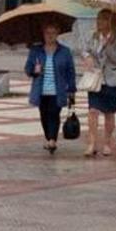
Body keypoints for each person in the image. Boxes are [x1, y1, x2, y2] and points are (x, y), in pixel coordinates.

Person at [25, 22, 75, 154]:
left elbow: (70, 71)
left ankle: (52, 140)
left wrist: (72, 89)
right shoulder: (36, 51)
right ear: (43, 34)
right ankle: (49, 138)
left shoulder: (65, 51)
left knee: (54, 114)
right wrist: (35, 71)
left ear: (57, 34)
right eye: (47, 33)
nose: (50, 36)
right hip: (41, 90)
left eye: (53, 33)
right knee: (44, 115)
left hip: (57, 90)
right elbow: (27, 69)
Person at [83, 9, 116, 157]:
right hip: (96, 79)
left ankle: (107, 142)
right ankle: (92, 143)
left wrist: (107, 46)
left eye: (103, 19)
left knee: (109, 113)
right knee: (92, 111)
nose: (99, 22)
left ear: (110, 22)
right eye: (98, 19)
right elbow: (85, 50)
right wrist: (87, 57)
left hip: (111, 80)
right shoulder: (93, 36)